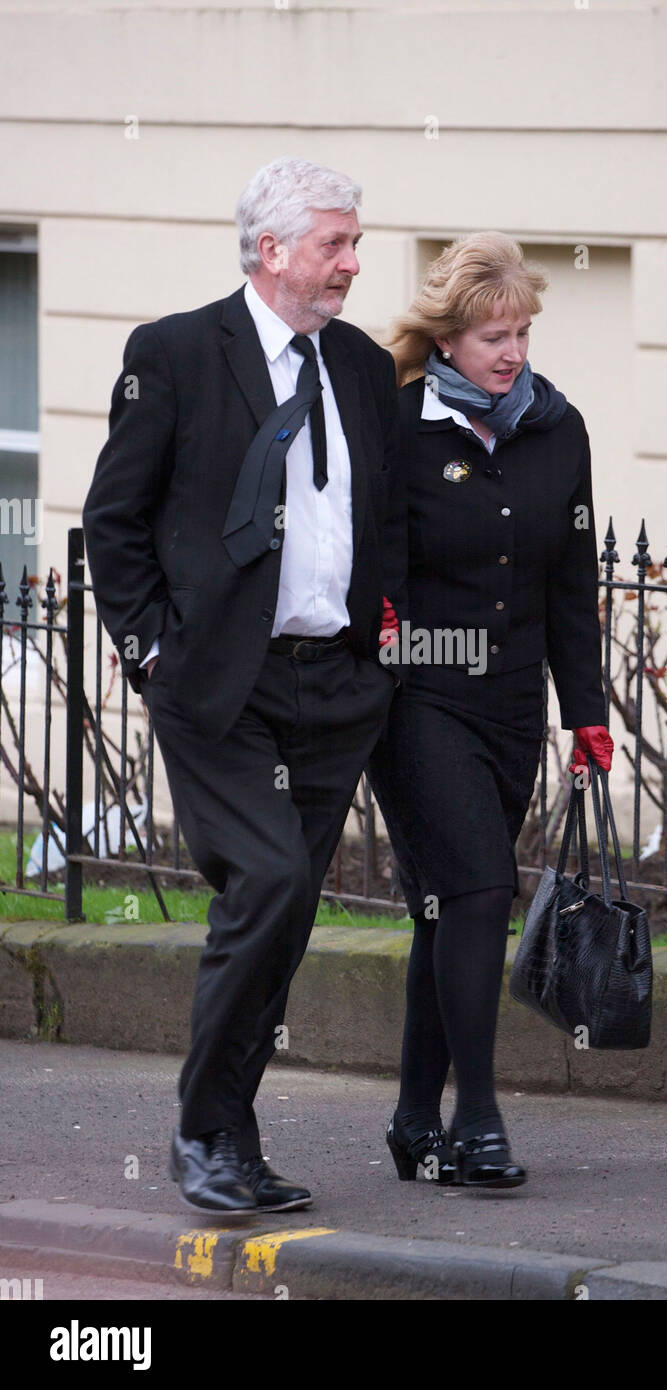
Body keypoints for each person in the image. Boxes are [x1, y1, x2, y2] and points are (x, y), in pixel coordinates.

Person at [82, 157, 406, 1214]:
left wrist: (376, 636)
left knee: (286, 916)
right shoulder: (174, 352)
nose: (353, 264)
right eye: (334, 243)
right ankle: (200, 1130)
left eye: (354, 242)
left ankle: (234, 1133)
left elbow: (381, 514)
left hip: (336, 685)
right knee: (265, 882)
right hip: (220, 684)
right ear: (271, 251)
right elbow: (116, 521)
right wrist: (149, 650)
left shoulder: (357, 366)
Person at [368, 232, 613, 1189]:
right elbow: (370, 557)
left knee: (446, 913)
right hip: (420, 697)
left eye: (518, 333)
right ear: (447, 339)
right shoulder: (398, 422)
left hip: (513, 705)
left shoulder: (561, 429)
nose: (509, 353)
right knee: (475, 890)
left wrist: (585, 714)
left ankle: (410, 1119)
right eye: (489, 337)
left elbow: (570, 585)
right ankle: (476, 1122)